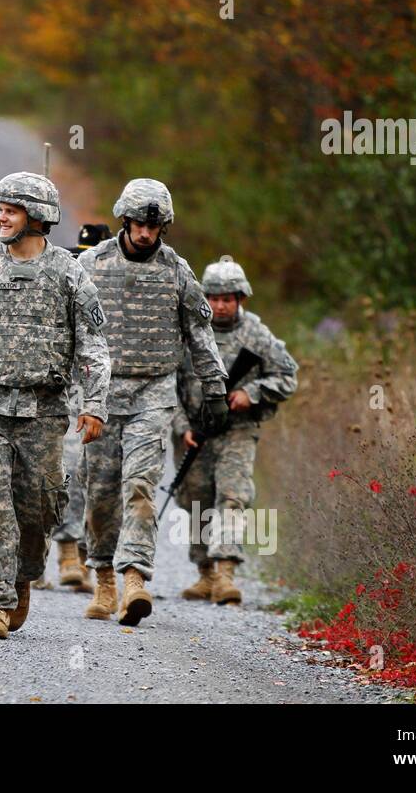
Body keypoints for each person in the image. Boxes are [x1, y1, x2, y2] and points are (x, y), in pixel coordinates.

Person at [0, 172, 110, 639]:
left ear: (37, 217)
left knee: (38, 508)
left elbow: (93, 344)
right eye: (0, 208)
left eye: (11, 210)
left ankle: (22, 576)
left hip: (45, 410)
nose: (1, 217)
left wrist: (95, 405)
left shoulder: (70, 273)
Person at [77, 179, 227, 626]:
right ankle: (103, 576)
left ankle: (134, 579)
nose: (146, 232)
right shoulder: (91, 264)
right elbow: (69, 327)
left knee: (140, 487)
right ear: (125, 218)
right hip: (101, 394)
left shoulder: (177, 271)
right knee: (101, 492)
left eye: (155, 225)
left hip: (153, 393)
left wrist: (214, 386)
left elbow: (200, 333)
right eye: (140, 223)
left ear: (164, 227)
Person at [172, 256, 298, 604]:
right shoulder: (190, 333)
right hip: (195, 433)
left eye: (228, 298)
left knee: (232, 495)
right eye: (213, 298)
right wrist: (182, 427)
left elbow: (287, 377)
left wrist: (251, 394)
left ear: (240, 298)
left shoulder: (257, 335)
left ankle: (226, 571)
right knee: (195, 499)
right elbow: (169, 383)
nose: (220, 305)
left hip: (238, 431)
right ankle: (205, 573)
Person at [43, 223, 113, 593]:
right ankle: (62, 553)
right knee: (62, 474)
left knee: (101, 484)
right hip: (63, 397)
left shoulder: (115, 291)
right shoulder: (65, 281)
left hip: (108, 398)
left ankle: (96, 562)